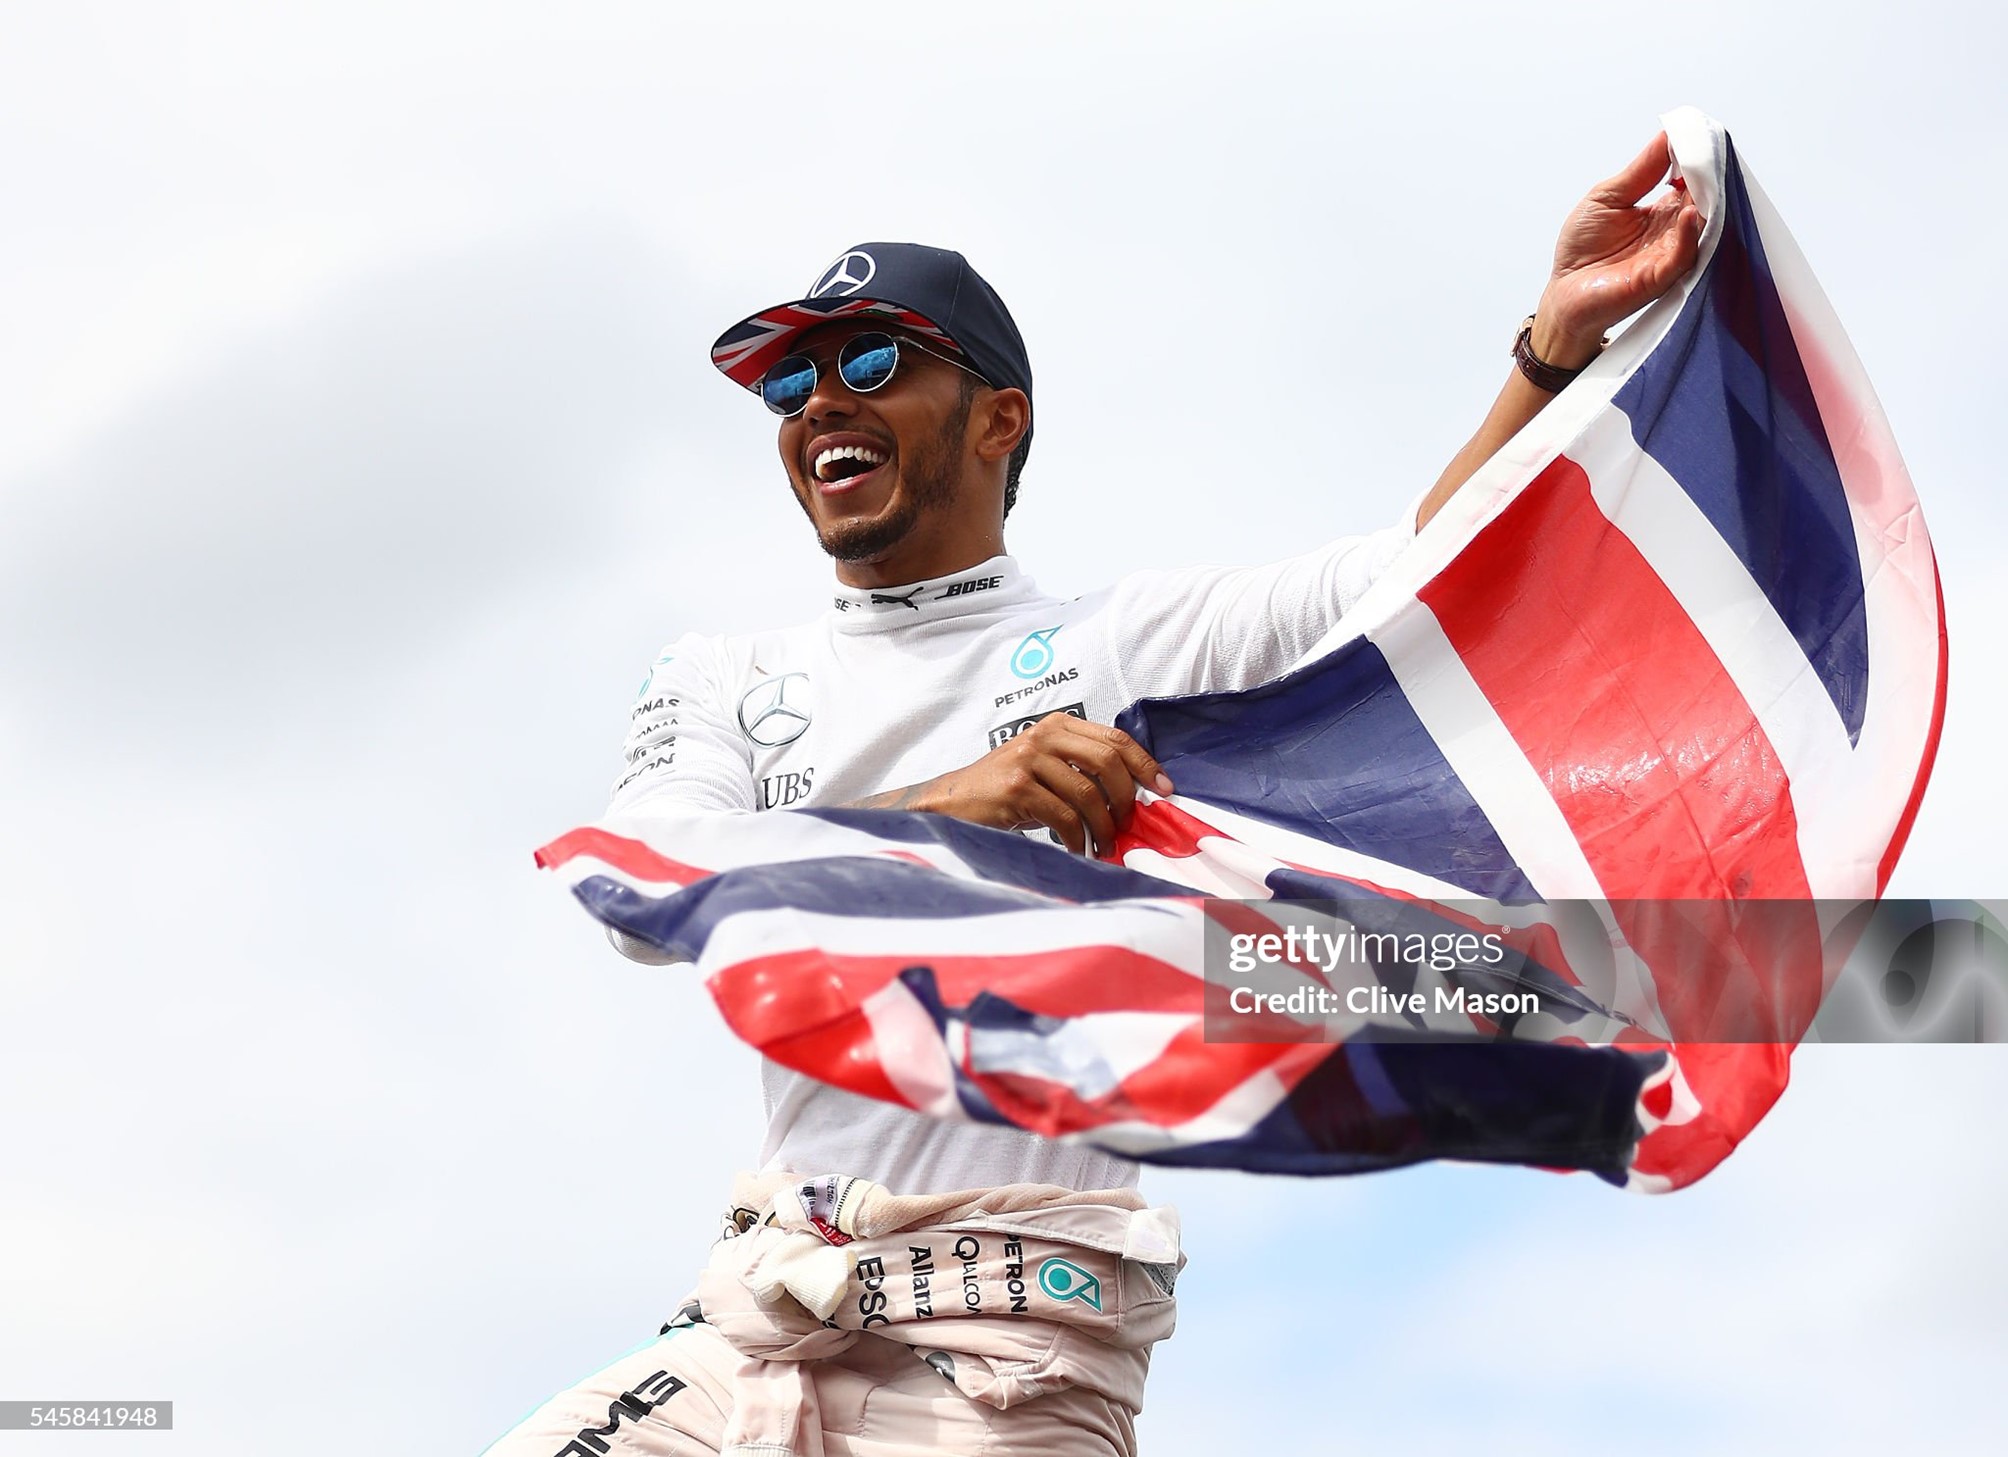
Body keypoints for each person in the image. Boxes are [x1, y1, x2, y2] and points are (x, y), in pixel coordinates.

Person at [485, 134, 1701, 1457]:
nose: (821, 401)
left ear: (999, 415)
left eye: (873, 363)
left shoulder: (1121, 647)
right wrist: (967, 798)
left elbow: (1413, 585)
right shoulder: (721, 674)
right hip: (762, 1316)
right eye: (791, 381)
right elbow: (647, 885)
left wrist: (1553, 341)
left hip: (1010, 1360)